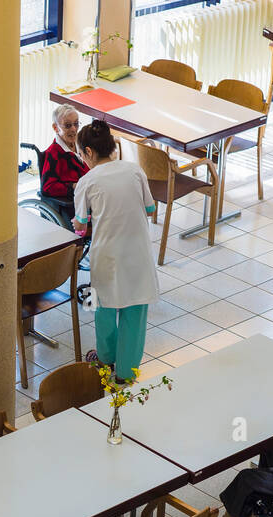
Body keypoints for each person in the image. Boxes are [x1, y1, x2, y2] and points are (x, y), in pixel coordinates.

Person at [73, 119, 159, 384]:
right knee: (135, 311)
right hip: (138, 254)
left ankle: (105, 357)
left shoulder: (86, 182)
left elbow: (80, 226)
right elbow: (150, 209)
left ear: (88, 152)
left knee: (103, 308)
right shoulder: (135, 171)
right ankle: (125, 373)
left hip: (106, 256)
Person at [39, 105, 88, 204]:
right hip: (75, 202)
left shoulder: (81, 144)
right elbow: (48, 187)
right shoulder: (53, 153)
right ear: (55, 128)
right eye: (68, 125)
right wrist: (73, 186)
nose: (74, 129)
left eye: (76, 124)